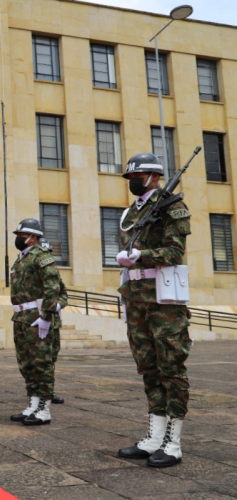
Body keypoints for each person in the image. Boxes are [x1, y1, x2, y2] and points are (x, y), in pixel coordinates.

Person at [116, 153, 192, 468]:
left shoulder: (172, 206)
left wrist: (141, 254)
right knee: (147, 367)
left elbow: (175, 251)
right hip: (136, 298)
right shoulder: (131, 212)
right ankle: (153, 438)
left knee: (170, 368)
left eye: (138, 175)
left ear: (153, 176)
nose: (133, 180)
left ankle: (172, 443)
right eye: (131, 176)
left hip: (163, 300)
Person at [8, 220, 62, 426]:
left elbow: (52, 287)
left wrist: (46, 317)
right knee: (26, 364)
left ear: (33, 237)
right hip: (20, 317)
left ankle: (44, 409)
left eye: (22, 235)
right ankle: (33, 403)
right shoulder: (20, 259)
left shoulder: (42, 257)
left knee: (42, 364)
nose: (19, 238)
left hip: (35, 316)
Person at [39, 237, 68, 405]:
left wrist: (58, 305)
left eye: (49, 253)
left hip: (53, 322)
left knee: (51, 359)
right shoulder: (30, 272)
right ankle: (38, 393)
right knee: (39, 360)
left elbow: (64, 293)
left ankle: (48, 391)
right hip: (37, 320)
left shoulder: (54, 272)